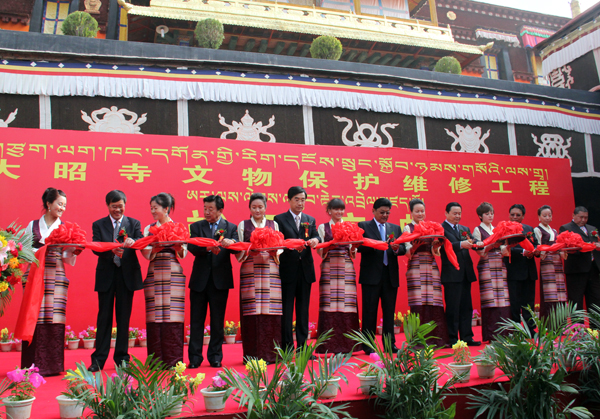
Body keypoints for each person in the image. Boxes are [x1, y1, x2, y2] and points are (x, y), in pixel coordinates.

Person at [21, 188, 79, 376]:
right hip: (34, 274)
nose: (62, 208)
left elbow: (67, 256)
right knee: (34, 315)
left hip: (57, 275)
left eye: (64, 205)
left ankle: (52, 365)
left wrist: (74, 250)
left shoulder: (65, 227)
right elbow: (24, 250)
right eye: (59, 204)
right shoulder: (32, 226)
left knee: (54, 316)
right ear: (48, 204)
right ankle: (32, 364)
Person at [89, 190, 143, 372]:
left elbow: (141, 241)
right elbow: (95, 247)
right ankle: (98, 359)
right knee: (104, 318)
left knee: (123, 318)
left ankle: (122, 359)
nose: (117, 210)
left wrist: (132, 241)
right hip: (106, 275)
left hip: (126, 276)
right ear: (108, 206)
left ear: (125, 205)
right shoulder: (99, 224)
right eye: (114, 207)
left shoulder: (133, 223)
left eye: (120, 206)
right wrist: (110, 250)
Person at [187, 195, 238, 368]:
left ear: (220, 211)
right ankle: (194, 358)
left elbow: (237, 247)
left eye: (211, 209)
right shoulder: (196, 226)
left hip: (220, 281)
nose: (207, 212)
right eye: (205, 209)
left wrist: (232, 243)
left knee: (217, 321)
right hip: (199, 280)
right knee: (196, 321)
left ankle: (215, 356)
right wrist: (208, 247)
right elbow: (192, 247)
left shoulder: (230, 227)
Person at [141, 193, 187, 368]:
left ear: (166, 209)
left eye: (156, 208)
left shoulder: (178, 227)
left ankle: (173, 359)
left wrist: (176, 245)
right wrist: (155, 247)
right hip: (154, 270)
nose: (153, 211)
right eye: (151, 208)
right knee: (154, 315)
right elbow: (145, 254)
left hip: (173, 272)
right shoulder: (148, 228)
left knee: (173, 315)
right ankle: (156, 360)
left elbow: (183, 253)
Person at [236, 193, 282, 363]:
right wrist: (250, 248)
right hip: (250, 270)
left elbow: (279, 247)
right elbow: (239, 249)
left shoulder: (273, 224)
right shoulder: (243, 225)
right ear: (249, 208)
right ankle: (252, 355)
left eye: (260, 207)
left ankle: (271, 354)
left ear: (265, 208)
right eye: (254, 207)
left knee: (272, 310)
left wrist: (274, 251)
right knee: (251, 311)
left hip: (270, 269)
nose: (257, 210)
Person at [274, 186, 320, 351]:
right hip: (288, 270)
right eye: (297, 199)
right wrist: (292, 245)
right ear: (289, 200)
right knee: (286, 310)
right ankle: (286, 347)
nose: (300, 203)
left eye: (303, 200)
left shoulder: (310, 219)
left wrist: (315, 240)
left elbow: (316, 235)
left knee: (303, 311)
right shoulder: (279, 219)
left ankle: (303, 347)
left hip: (305, 270)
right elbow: (278, 240)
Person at [358, 198, 405, 354]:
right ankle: (368, 345)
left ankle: (389, 344)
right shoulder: (364, 226)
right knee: (369, 312)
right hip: (371, 276)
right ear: (373, 211)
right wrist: (376, 244)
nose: (385, 215)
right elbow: (359, 247)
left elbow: (403, 248)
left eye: (387, 213)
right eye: (382, 212)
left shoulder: (395, 228)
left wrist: (397, 249)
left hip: (390, 275)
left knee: (389, 312)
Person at [315, 198, 360, 354]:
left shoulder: (350, 226)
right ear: (329, 211)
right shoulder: (323, 227)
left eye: (341, 209)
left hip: (346, 267)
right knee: (329, 304)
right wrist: (332, 243)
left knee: (347, 305)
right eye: (336, 209)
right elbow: (320, 250)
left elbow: (352, 252)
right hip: (329, 267)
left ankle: (348, 345)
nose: (339, 212)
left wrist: (354, 246)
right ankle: (329, 345)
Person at [402, 198, 448, 347]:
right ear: (411, 212)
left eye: (422, 211)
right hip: (415, 266)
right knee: (418, 302)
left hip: (431, 265)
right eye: (417, 211)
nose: (420, 214)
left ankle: (437, 339)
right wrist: (416, 246)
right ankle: (418, 341)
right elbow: (407, 252)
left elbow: (436, 252)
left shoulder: (431, 227)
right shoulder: (408, 228)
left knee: (434, 301)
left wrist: (437, 245)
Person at [440, 202, 481, 346]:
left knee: (466, 307)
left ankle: (467, 337)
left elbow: (471, 241)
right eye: (454, 213)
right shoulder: (441, 229)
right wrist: (460, 245)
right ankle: (451, 338)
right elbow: (444, 247)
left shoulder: (464, 229)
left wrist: (475, 242)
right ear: (446, 213)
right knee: (452, 307)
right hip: (451, 273)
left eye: (459, 213)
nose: (457, 216)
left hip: (465, 272)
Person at [472, 202, 510, 342]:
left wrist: (508, 245)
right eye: (487, 214)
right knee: (490, 299)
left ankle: (505, 332)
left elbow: (504, 251)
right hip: (487, 264)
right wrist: (491, 245)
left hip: (500, 264)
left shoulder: (497, 229)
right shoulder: (477, 230)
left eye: (492, 213)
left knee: (503, 298)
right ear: (480, 216)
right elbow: (480, 251)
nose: (490, 216)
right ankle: (492, 334)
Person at [501, 204, 538, 336]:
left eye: (518, 215)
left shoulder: (529, 229)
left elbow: (536, 245)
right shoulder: (504, 229)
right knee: (515, 303)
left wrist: (535, 252)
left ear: (523, 216)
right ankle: (516, 330)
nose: (515, 217)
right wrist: (523, 252)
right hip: (513, 271)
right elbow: (505, 247)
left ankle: (530, 330)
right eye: (512, 215)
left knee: (529, 303)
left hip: (529, 271)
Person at [559, 206, 600, 320]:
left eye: (585, 217)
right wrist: (584, 246)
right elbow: (565, 246)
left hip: (593, 268)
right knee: (576, 299)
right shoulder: (566, 228)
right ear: (573, 216)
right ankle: (578, 329)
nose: (583, 220)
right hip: (576, 269)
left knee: (595, 298)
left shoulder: (592, 228)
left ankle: (596, 327)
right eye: (581, 217)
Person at [534, 205, 568, 318]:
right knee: (550, 292)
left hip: (557, 261)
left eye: (549, 215)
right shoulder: (537, 230)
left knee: (560, 291)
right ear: (539, 217)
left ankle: (560, 323)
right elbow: (538, 246)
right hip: (547, 261)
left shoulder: (553, 230)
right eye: (544, 215)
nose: (547, 218)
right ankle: (549, 323)